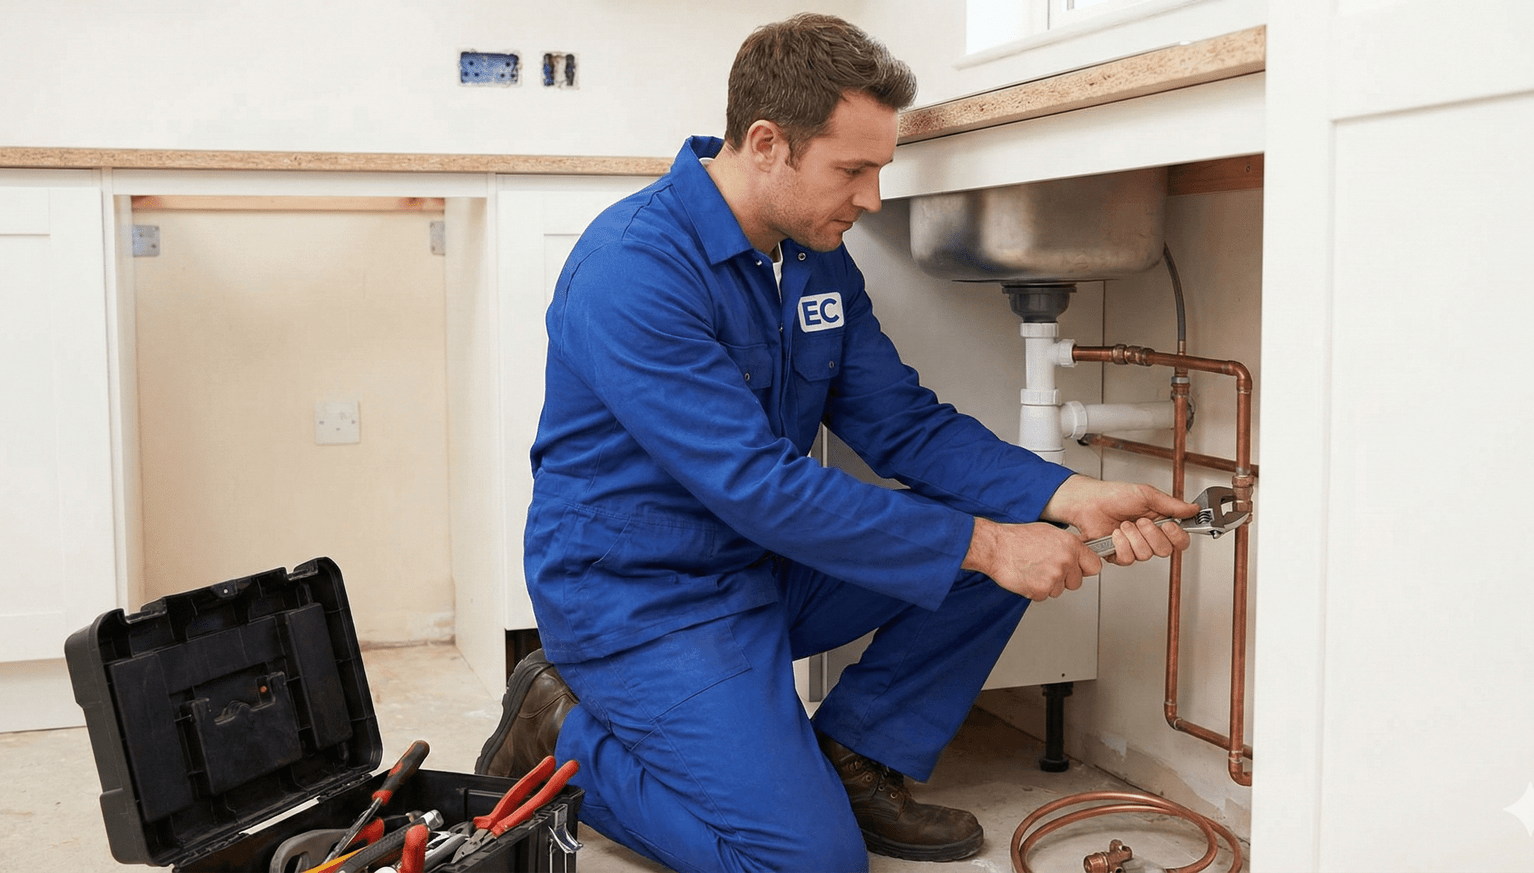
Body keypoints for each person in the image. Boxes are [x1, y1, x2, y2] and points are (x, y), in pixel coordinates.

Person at [475, 13, 1196, 872]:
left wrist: (1070, 496)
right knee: (810, 863)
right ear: (768, 144)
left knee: (1013, 518)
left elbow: (903, 422)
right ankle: (559, 733)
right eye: (853, 170)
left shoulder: (812, 259)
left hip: (762, 565)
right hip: (643, 596)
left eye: (878, 169)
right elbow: (758, 485)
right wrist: (991, 543)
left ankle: (857, 756)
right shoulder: (634, 269)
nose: (873, 198)